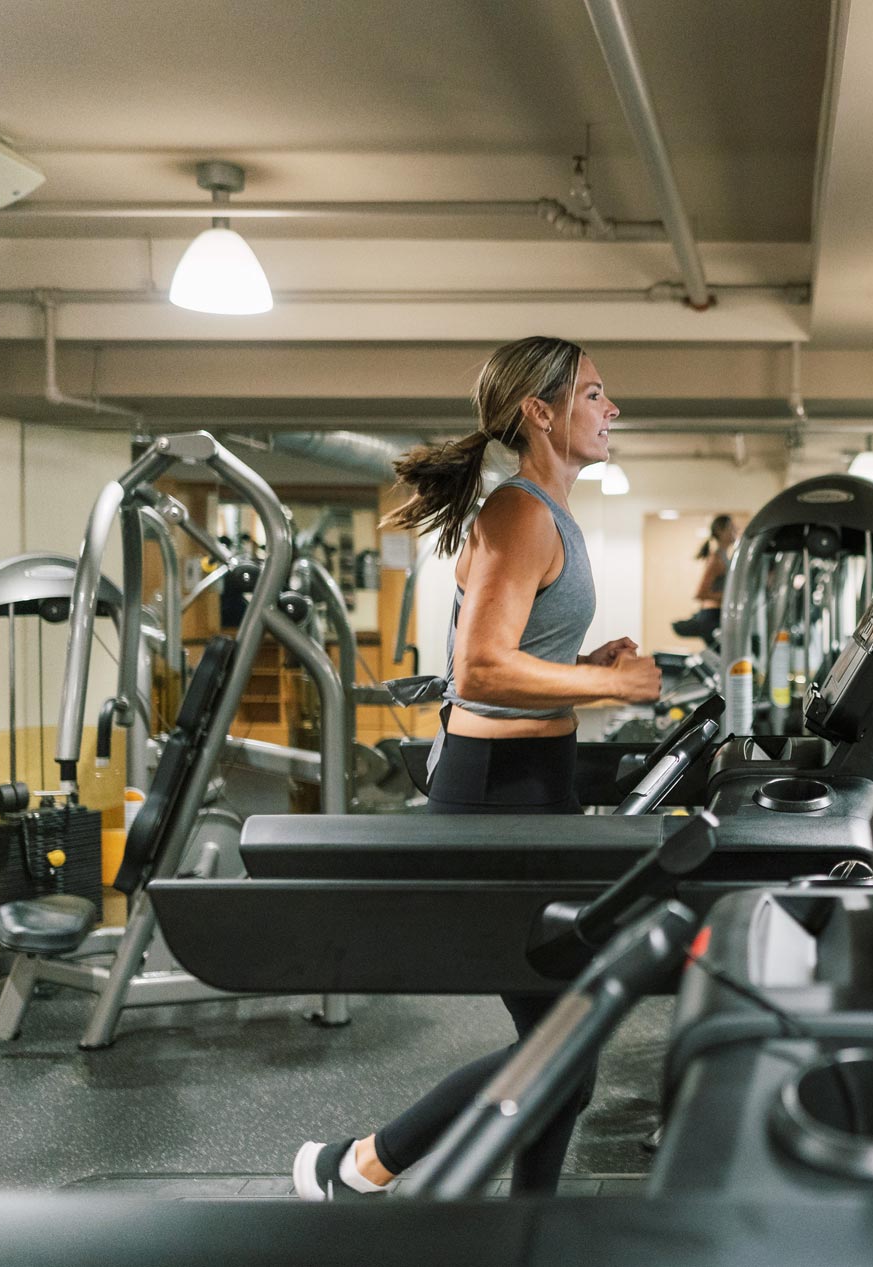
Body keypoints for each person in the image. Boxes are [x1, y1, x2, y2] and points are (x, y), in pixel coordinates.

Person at [291, 335, 660, 1201]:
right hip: (497, 795)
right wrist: (606, 683)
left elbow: (517, 656)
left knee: (567, 1048)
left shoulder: (543, 512)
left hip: (536, 786)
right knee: (558, 1047)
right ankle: (355, 1165)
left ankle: (510, 1219)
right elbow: (479, 670)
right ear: (543, 410)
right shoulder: (519, 512)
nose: (613, 409)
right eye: (597, 394)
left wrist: (581, 659)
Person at [671, 514, 737, 647]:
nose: (734, 532)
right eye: (731, 528)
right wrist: (728, 596)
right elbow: (700, 594)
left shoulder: (725, 557)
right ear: (720, 531)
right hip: (712, 616)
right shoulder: (716, 559)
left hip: (721, 613)